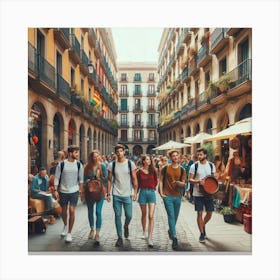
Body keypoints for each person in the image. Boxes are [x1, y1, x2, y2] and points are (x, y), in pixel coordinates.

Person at [107, 144, 138, 247]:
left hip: (127, 194)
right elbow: (109, 180)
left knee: (129, 215)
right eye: (117, 152)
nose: (119, 153)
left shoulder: (130, 164)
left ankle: (126, 226)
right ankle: (119, 237)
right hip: (116, 194)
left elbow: (134, 179)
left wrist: (135, 192)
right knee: (117, 216)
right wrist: (108, 193)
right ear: (115, 153)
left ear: (124, 152)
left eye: (121, 151)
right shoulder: (112, 165)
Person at [54, 145, 84, 243]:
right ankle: (65, 225)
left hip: (74, 191)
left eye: (78, 152)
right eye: (76, 152)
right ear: (70, 153)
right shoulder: (61, 164)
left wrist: (81, 191)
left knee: (71, 210)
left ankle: (69, 233)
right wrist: (55, 190)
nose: (77, 154)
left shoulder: (79, 165)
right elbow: (57, 177)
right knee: (63, 211)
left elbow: (81, 179)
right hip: (63, 191)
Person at [158, 149, 186, 250]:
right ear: (170, 157)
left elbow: (184, 183)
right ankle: (174, 238)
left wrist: (179, 183)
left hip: (178, 196)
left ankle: (171, 230)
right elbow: (160, 180)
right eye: (173, 156)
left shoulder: (182, 169)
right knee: (171, 216)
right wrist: (161, 193)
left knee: (175, 216)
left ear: (179, 157)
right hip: (167, 196)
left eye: (177, 156)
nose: (175, 157)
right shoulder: (165, 168)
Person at [188, 147, 216, 243]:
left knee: (209, 213)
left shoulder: (212, 166)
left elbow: (213, 179)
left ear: (205, 155)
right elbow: (190, 180)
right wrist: (198, 181)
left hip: (209, 193)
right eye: (198, 155)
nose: (199, 156)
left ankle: (202, 225)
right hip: (197, 193)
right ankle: (202, 233)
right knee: (199, 213)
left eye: (201, 154)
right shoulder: (194, 166)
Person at [84, 150, 108, 245]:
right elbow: (84, 178)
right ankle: (92, 229)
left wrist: (99, 178)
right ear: (91, 157)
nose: (97, 158)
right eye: (95, 156)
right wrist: (88, 180)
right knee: (90, 211)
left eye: (98, 156)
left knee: (98, 211)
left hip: (100, 192)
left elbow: (106, 179)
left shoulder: (102, 166)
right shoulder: (87, 167)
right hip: (89, 192)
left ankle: (97, 233)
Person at [136, 155, 158, 248]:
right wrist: (135, 193)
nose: (149, 161)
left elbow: (156, 181)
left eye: (150, 159)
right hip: (142, 193)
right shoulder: (139, 171)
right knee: (144, 214)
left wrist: (152, 187)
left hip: (151, 193)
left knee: (151, 216)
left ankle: (150, 238)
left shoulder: (154, 171)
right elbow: (137, 184)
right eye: (147, 159)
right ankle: (144, 231)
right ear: (144, 161)